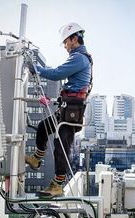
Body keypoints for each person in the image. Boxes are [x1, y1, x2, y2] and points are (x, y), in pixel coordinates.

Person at [25, 22, 93, 197]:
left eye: (66, 42)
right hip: (67, 108)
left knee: (61, 146)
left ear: (74, 38)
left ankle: (57, 184)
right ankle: (36, 158)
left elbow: (57, 73)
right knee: (43, 127)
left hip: (71, 111)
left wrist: (37, 69)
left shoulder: (79, 58)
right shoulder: (80, 57)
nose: (65, 46)